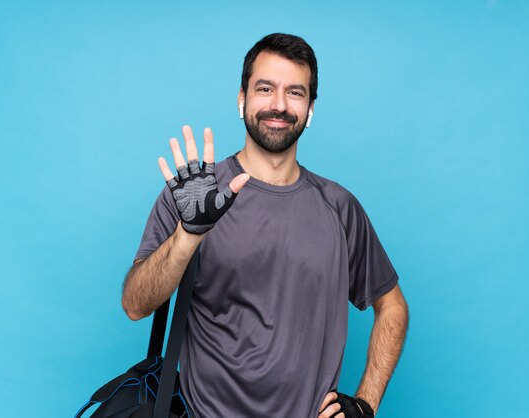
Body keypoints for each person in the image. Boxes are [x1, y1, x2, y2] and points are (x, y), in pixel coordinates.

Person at [122, 33, 409, 418]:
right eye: (265, 88)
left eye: (295, 92)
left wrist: (364, 405)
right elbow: (136, 305)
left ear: (310, 109)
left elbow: (392, 307)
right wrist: (188, 235)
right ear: (242, 99)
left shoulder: (338, 207)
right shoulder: (196, 193)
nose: (278, 105)